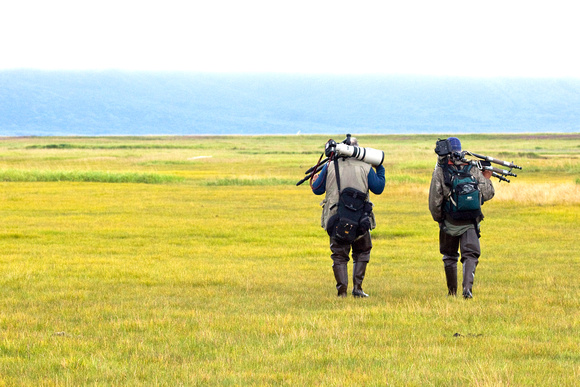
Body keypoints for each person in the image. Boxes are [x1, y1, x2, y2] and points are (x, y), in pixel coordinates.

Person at [311, 137, 385, 298]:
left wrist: (315, 180)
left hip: (335, 218)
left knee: (339, 254)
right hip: (361, 219)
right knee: (362, 252)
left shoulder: (330, 165)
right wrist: (379, 167)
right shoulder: (366, 167)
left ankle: (342, 292)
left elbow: (316, 189)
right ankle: (358, 288)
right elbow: (379, 188)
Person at [428, 137, 494, 299]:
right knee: (470, 255)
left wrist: (439, 219)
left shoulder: (440, 171)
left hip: (449, 220)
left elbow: (434, 201)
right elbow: (488, 194)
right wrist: (486, 178)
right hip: (471, 220)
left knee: (449, 256)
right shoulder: (472, 168)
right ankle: (467, 290)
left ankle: (452, 293)